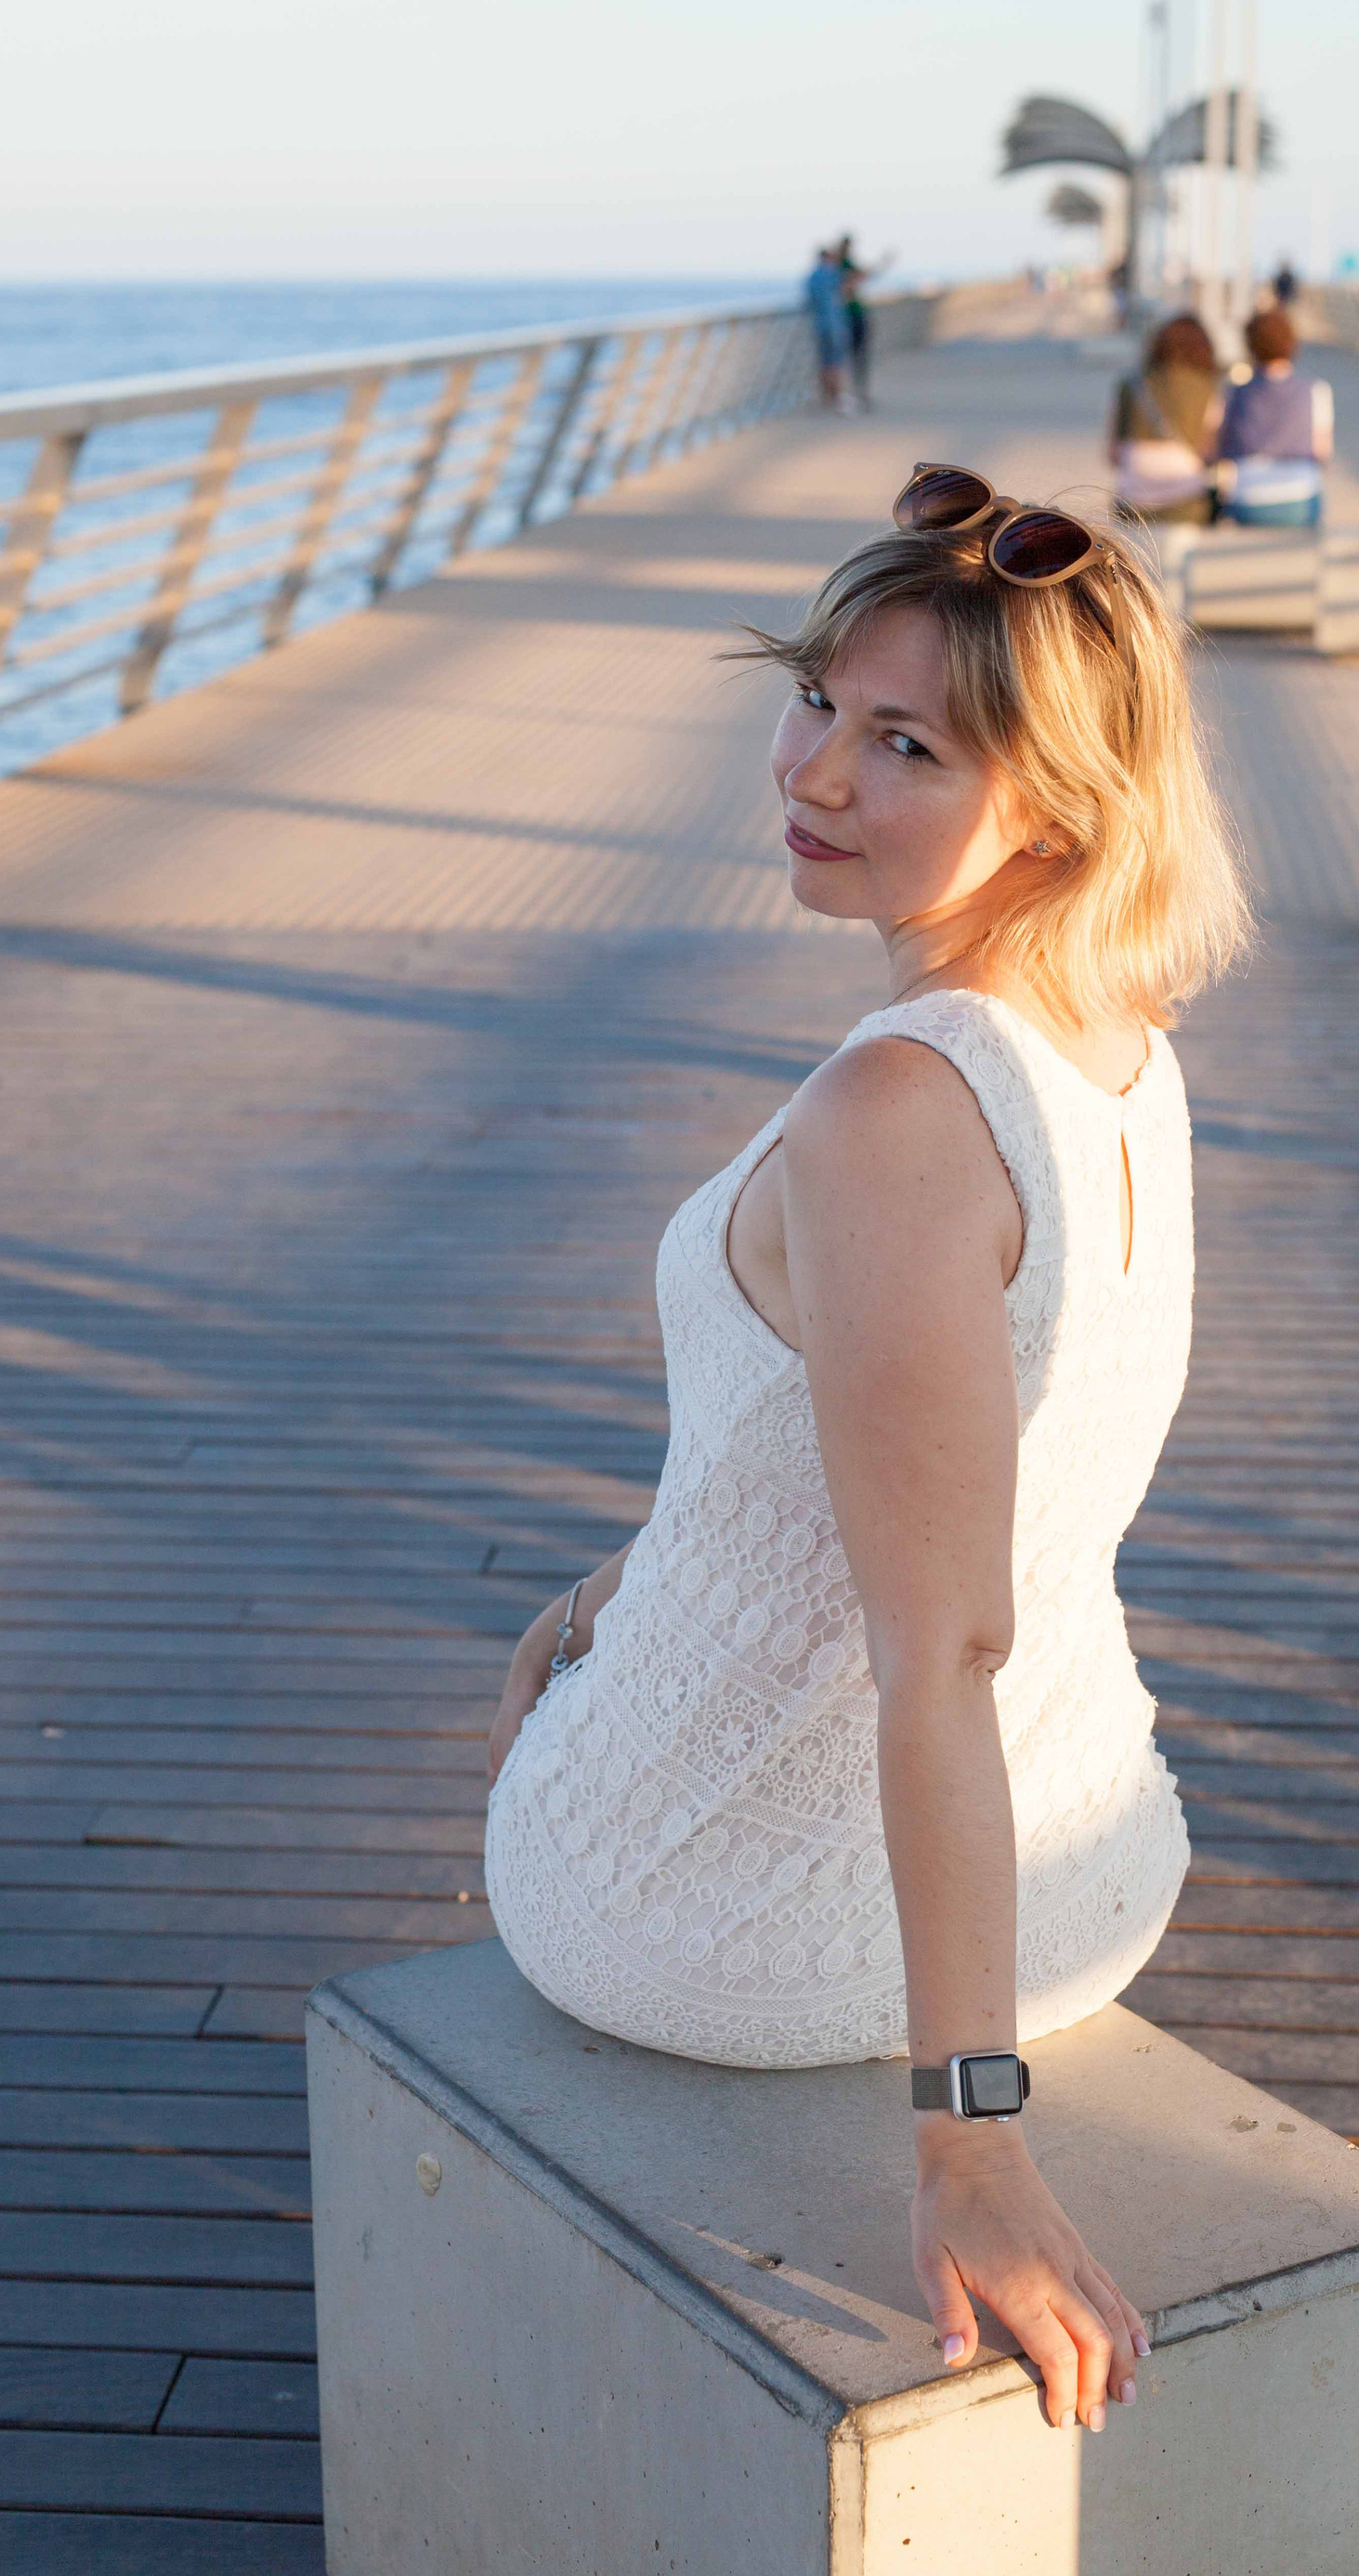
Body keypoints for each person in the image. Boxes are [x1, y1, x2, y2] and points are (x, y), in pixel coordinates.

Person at [485, 467, 1250, 2433]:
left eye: (907, 744)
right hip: (1100, 1847)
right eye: (819, 697)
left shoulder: (896, 1115)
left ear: (1060, 807)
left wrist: (971, 2139)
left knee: (536, 1765)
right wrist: (621, 1586)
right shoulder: (1115, 1038)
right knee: (580, 1656)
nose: (816, 771)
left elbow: (945, 1646)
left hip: (738, 1923)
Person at [1216, 307, 1333, 527]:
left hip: (1247, 498)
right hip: (1300, 498)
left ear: (1251, 346)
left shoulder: (1235, 392)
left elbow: (1221, 446)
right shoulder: (1315, 390)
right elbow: (1322, 452)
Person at [1108, 315, 1223, 525]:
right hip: (1186, 502)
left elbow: (1113, 454)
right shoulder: (1206, 387)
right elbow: (1210, 450)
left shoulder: (1131, 385)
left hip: (1133, 503)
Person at [836, 234, 895, 410]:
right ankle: (852, 393)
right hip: (849, 317)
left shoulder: (844, 265)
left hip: (854, 316)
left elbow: (862, 276)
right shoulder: (841, 266)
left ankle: (857, 392)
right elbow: (857, 279)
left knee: (857, 357)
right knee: (853, 357)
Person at [804, 244, 850, 410]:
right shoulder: (832, 274)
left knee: (824, 362)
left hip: (819, 325)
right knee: (835, 362)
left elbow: (809, 301)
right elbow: (845, 289)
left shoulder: (812, 276)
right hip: (833, 325)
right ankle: (836, 398)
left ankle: (826, 398)